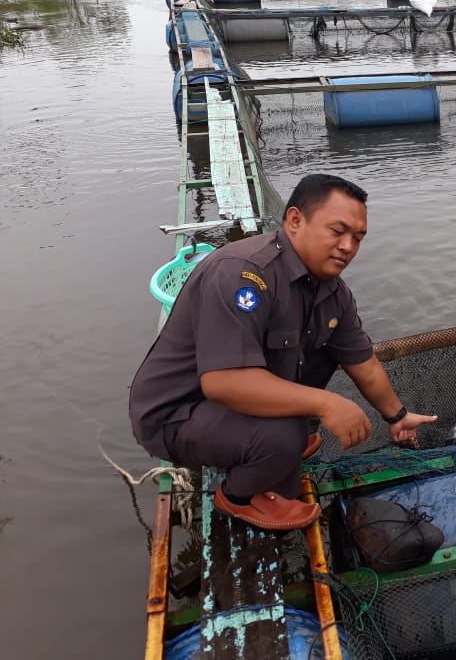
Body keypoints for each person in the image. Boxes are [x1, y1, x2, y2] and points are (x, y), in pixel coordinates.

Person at [129, 174, 436, 531]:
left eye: (357, 238)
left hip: (225, 406)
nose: (348, 246)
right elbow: (223, 383)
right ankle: (238, 496)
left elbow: (362, 362)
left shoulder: (333, 294)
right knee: (286, 434)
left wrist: (397, 416)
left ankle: (265, 445)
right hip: (176, 411)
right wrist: (328, 403)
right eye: (337, 231)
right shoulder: (243, 274)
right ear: (294, 221)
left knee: (324, 358)